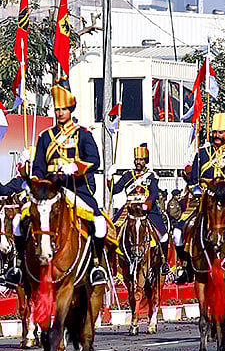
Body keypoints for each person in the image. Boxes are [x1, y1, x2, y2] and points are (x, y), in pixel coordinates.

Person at [20, 84, 110, 286]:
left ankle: (96, 266)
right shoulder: (45, 137)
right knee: (19, 220)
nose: (60, 113)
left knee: (99, 224)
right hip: (49, 190)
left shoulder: (83, 134)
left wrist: (76, 166)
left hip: (77, 189)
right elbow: (40, 166)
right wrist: (35, 181)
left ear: (71, 110)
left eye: (64, 110)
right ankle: (18, 266)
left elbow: (95, 160)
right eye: (57, 110)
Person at [174, 112, 225, 285]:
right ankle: (186, 268)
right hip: (205, 201)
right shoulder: (202, 154)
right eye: (215, 132)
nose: (217, 135)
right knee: (177, 233)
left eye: (221, 132)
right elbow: (194, 180)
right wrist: (196, 190)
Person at [111, 144, 170, 276]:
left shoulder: (151, 176)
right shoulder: (128, 175)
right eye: (137, 159)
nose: (139, 162)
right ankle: (111, 264)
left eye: (141, 159)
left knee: (164, 235)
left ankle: (164, 262)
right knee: (112, 230)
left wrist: (147, 203)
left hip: (147, 209)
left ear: (146, 161)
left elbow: (154, 192)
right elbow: (115, 190)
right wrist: (109, 177)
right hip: (130, 208)